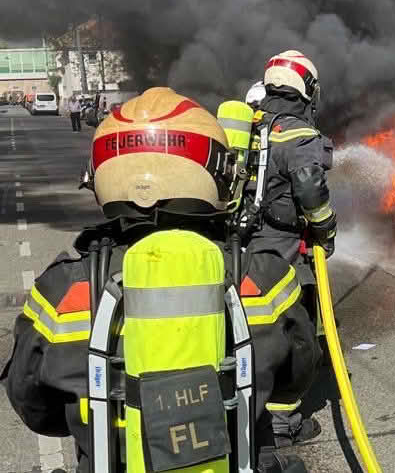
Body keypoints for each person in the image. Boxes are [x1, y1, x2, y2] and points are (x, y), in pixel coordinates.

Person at [2, 87, 316, 473]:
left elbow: (33, 406)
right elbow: (295, 379)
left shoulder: (62, 292)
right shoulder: (265, 280)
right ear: (218, 173)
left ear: (101, 174)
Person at [244, 50, 335, 447]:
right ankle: (282, 424)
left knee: (247, 324)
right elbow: (311, 190)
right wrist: (326, 228)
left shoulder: (247, 124)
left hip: (240, 242)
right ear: (307, 88)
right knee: (291, 329)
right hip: (281, 247)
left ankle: (242, 411)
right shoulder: (297, 133)